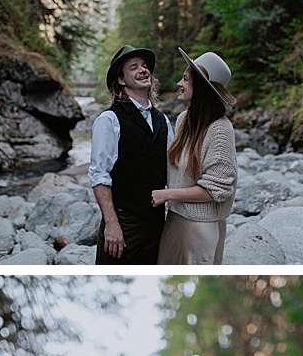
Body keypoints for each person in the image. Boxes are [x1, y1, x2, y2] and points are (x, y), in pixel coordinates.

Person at [152, 48, 239, 265]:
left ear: (200, 88)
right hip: (175, 220)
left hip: (200, 228)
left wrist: (167, 194)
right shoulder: (183, 119)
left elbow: (216, 190)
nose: (179, 84)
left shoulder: (220, 130)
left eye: (185, 79)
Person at [90, 45, 174, 264]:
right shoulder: (109, 120)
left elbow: (174, 166)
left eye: (145, 66)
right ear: (121, 80)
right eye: (134, 67)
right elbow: (100, 176)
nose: (143, 70)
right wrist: (112, 224)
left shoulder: (162, 120)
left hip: (156, 224)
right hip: (123, 225)